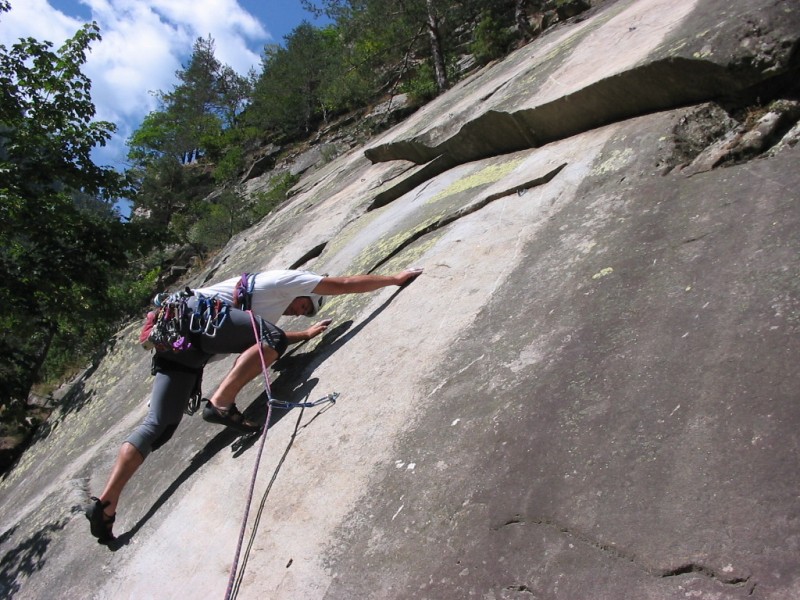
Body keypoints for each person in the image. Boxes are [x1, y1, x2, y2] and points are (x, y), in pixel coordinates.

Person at [86, 268, 423, 543]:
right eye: (305, 306)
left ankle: (106, 504)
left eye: (303, 313)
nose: (299, 312)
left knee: (159, 425)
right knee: (273, 338)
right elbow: (342, 284)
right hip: (198, 322)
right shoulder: (284, 280)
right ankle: (221, 403)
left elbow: (255, 335)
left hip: (180, 339)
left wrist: (303, 335)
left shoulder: (269, 309)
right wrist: (393, 279)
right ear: (304, 290)